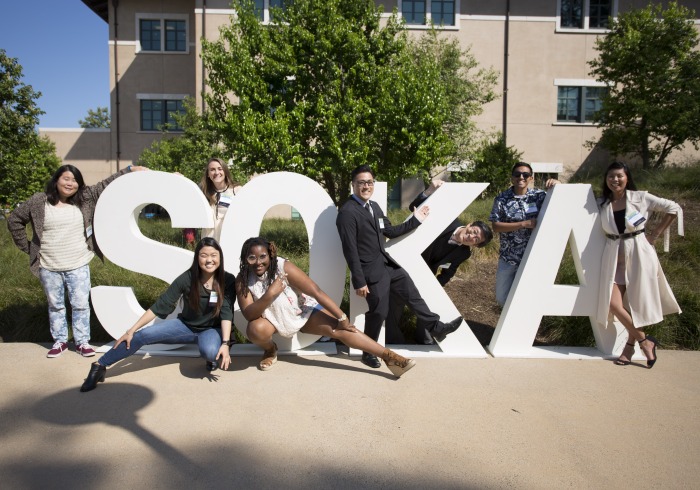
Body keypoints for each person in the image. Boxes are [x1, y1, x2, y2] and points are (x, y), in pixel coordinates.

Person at [7, 164, 148, 358]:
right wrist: (29, 248)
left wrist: (129, 169)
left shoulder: (84, 198)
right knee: (55, 305)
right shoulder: (39, 201)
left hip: (78, 262)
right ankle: (60, 341)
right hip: (49, 265)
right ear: (56, 180)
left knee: (80, 304)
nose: (70, 183)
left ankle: (82, 342)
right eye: (66, 179)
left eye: (74, 180)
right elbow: (14, 220)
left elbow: (105, 185)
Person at [336, 165, 462, 368]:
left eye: (369, 182)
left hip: (388, 265)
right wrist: (359, 280)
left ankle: (436, 327)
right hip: (370, 272)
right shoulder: (347, 213)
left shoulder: (374, 206)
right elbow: (349, 249)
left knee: (412, 294)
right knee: (379, 312)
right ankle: (368, 352)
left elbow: (391, 231)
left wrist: (416, 220)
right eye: (361, 182)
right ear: (353, 185)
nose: (366, 186)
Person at [236, 236, 415, 378]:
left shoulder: (283, 267)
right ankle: (270, 349)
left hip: (300, 312)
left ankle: (390, 358)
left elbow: (315, 290)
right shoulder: (243, 280)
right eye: (252, 257)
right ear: (245, 259)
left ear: (270, 254)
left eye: (262, 256)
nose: (258, 262)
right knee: (255, 329)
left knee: (341, 330)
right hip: (272, 320)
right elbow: (249, 314)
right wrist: (271, 293)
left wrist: (342, 317)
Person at [80, 237, 236, 392]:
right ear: (197, 258)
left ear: (220, 257)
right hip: (185, 326)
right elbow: (161, 304)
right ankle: (99, 366)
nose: (209, 260)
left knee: (209, 351)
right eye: (204, 255)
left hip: (211, 330)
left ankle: (211, 356)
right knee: (142, 335)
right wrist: (131, 330)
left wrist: (225, 343)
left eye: (213, 255)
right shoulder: (187, 278)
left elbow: (226, 313)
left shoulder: (227, 280)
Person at [597, 161, 682, 368]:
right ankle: (645, 341)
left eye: (619, 176)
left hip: (639, 254)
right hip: (614, 256)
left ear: (627, 177)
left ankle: (628, 348)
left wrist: (655, 234)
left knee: (636, 304)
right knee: (614, 304)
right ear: (606, 180)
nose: (615, 180)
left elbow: (673, 207)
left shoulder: (640, 197)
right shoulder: (602, 202)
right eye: (611, 176)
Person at [386, 180, 494, 344]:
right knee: (395, 302)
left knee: (428, 301)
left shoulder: (463, 253)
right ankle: (393, 341)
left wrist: (434, 286)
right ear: (470, 224)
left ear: (476, 245)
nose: (471, 236)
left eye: (476, 239)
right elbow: (414, 208)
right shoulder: (447, 220)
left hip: (424, 273)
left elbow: (448, 273)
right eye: (474, 231)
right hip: (402, 264)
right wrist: (429, 190)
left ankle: (424, 340)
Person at [489, 162, 559, 307]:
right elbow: (495, 226)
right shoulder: (501, 199)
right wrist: (523, 224)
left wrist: (558, 184)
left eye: (525, 175)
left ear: (531, 178)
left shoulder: (540, 196)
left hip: (533, 257)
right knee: (502, 298)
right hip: (509, 257)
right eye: (517, 174)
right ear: (512, 178)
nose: (521, 177)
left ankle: (518, 327)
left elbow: (561, 201)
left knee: (529, 298)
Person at [200, 157, 242, 241]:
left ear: (225, 171)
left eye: (220, 169)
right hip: (209, 239)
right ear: (208, 174)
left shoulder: (236, 190)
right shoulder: (203, 192)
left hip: (230, 237)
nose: (216, 172)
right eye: (212, 169)